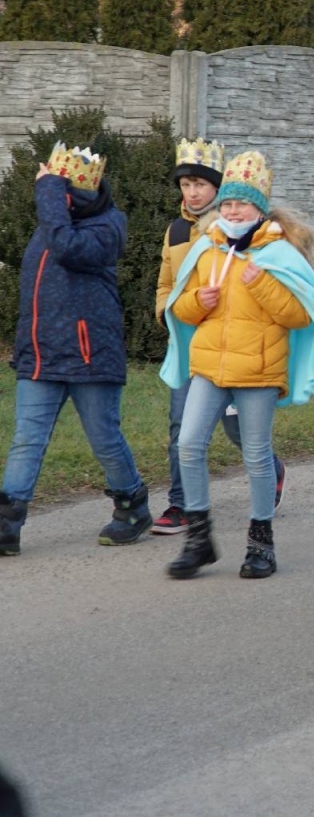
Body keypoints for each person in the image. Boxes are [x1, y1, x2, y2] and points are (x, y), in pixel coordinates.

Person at [163, 151, 314, 579]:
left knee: (255, 455)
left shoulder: (280, 254)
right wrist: (199, 301)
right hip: (210, 367)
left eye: (242, 204)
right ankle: (199, 540)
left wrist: (264, 285)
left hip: (259, 370)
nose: (233, 211)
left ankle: (260, 544)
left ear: (259, 208)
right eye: (228, 204)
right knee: (189, 445)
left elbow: (299, 315)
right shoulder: (207, 247)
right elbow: (183, 309)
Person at [0, 146, 151, 556]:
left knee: (104, 438)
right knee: (27, 439)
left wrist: (49, 188)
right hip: (42, 354)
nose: (50, 200)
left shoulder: (106, 227)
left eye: (57, 192)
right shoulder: (54, 225)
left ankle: (132, 505)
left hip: (90, 354)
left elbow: (67, 248)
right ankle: (7, 524)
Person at [154, 138, 289, 536]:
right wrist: (175, 311)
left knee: (246, 441)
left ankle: (262, 527)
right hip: (200, 350)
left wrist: (260, 285)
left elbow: (295, 309)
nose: (192, 192)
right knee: (185, 433)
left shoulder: (266, 243)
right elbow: (170, 287)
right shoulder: (180, 232)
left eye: (200, 185)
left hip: (252, 359)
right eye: (185, 185)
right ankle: (184, 510)